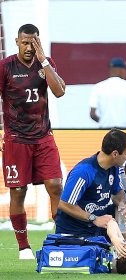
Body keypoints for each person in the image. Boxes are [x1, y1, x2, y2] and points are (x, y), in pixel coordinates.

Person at [0, 23, 65, 260]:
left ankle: (62, 237)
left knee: (56, 186)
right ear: (17, 42)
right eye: (25, 42)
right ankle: (23, 247)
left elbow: (58, 91)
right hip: (16, 139)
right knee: (18, 191)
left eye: (33, 42)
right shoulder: (5, 67)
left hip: (43, 137)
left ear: (38, 42)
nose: (29, 47)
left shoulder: (45, 63)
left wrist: (44, 61)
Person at [55, 129, 126, 240]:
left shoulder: (114, 168)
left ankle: (123, 252)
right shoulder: (84, 171)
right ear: (115, 154)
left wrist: (122, 204)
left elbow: (118, 193)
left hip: (98, 225)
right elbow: (64, 204)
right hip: (76, 230)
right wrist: (94, 218)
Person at [89, 57, 126, 128]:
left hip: (105, 129)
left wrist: (104, 121)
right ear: (121, 70)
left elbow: (92, 114)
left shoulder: (98, 87)